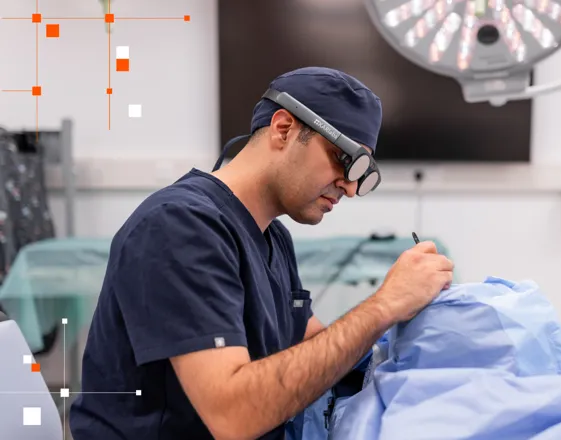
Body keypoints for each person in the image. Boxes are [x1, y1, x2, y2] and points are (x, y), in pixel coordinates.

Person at [68, 67, 454, 440]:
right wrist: (384, 305)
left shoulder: (272, 237)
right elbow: (232, 416)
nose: (350, 188)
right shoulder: (180, 226)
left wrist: (420, 350)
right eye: (345, 160)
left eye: (360, 175)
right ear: (284, 128)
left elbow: (313, 347)